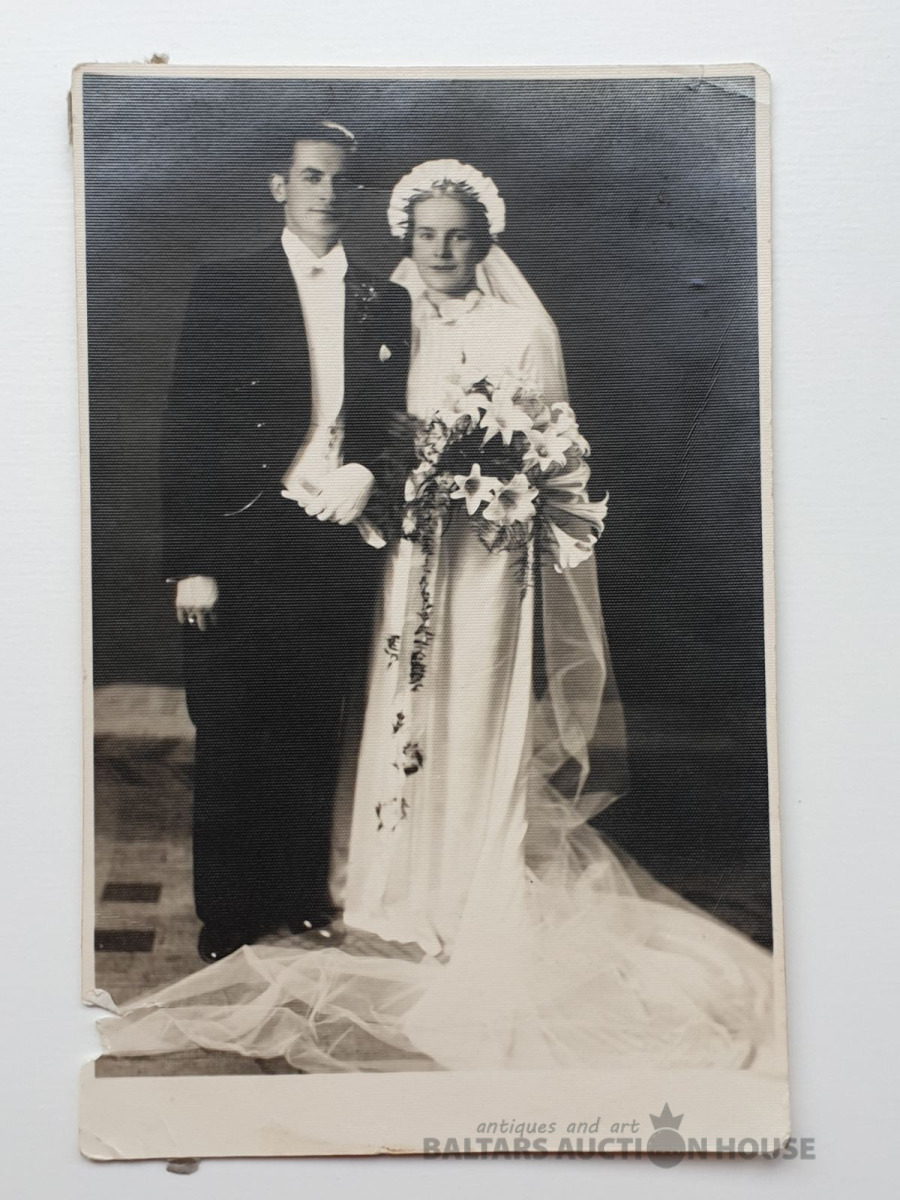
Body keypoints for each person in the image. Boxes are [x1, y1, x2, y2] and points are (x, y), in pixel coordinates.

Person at [105, 161, 778, 1076]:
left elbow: (556, 453)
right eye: (427, 235)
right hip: (402, 554)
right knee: (392, 704)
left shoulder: (520, 329)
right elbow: (358, 424)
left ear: (486, 241)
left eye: (459, 235)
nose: (442, 251)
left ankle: (465, 884)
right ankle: (383, 885)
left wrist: (495, 480)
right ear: (406, 239)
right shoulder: (384, 312)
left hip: (486, 559)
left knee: (466, 709)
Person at [160, 121, 411, 964]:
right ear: (280, 187)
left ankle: (299, 897)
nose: (328, 195)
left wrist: (368, 470)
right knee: (233, 729)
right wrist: (192, 562)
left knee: (310, 724)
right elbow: (187, 427)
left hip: (330, 540)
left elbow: (391, 422)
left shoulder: (384, 298)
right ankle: (229, 915)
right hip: (240, 538)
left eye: (342, 180)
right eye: (311, 177)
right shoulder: (226, 285)